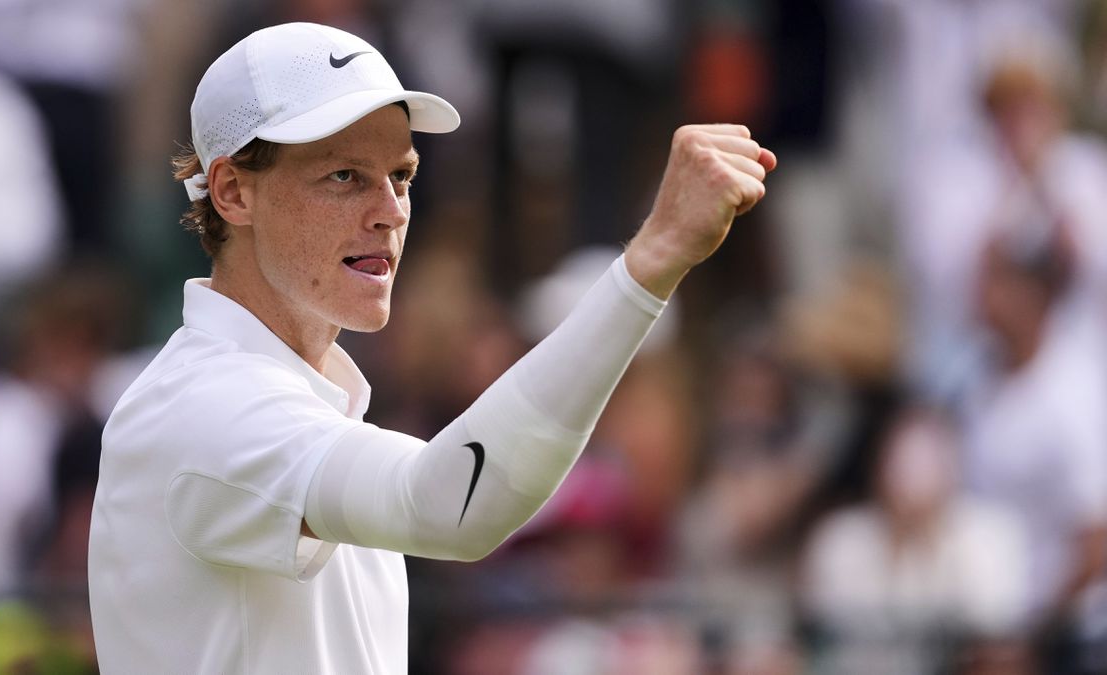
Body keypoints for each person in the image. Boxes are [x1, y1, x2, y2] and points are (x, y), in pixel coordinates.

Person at [87, 22, 775, 674]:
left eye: (402, 176)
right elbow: (453, 505)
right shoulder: (202, 404)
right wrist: (652, 260)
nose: (390, 211)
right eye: (344, 176)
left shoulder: (294, 403)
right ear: (233, 192)